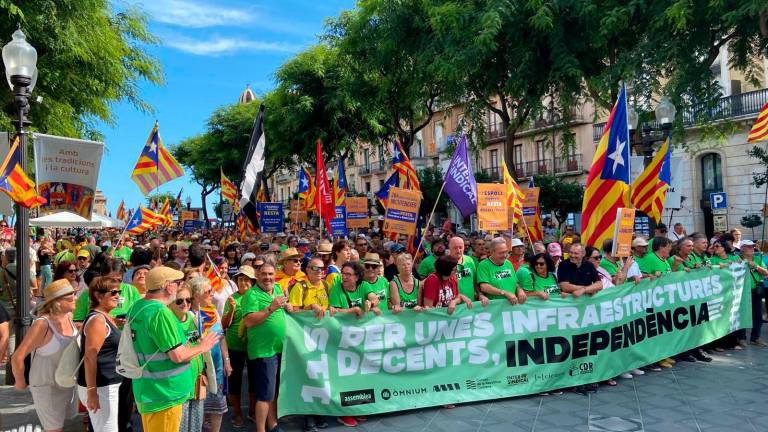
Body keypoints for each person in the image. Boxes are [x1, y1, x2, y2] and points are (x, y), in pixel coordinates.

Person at [128, 266, 220, 432]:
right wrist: (203, 346)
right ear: (168, 286)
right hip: (166, 394)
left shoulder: (138, 306)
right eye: (177, 283)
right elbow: (178, 356)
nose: (179, 287)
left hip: (149, 391)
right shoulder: (160, 313)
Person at [11, 279, 79, 432]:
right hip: (46, 387)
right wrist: (20, 381)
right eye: (70, 297)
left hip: (66, 383)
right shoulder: (42, 324)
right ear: (57, 302)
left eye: (74, 294)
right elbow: (17, 357)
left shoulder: (69, 316)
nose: (75, 298)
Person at [242, 263, 291, 432]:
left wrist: (287, 305)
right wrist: (271, 308)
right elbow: (248, 321)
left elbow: (283, 307)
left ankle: (273, 425)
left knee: (273, 393)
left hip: (278, 350)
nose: (268, 277)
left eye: (271, 273)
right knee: (264, 396)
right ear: (257, 275)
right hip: (263, 352)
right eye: (264, 274)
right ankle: (261, 429)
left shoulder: (277, 288)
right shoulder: (251, 295)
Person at [77, 277, 123, 432]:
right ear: (98, 296)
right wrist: (92, 392)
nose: (118, 295)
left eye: (119, 291)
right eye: (113, 292)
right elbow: (90, 357)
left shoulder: (105, 317)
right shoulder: (98, 320)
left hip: (106, 385)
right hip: (101, 387)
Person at [188, 276, 231, 432]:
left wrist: (227, 361)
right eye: (208, 291)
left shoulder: (213, 312)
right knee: (197, 409)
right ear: (196, 295)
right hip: (197, 370)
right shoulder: (187, 315)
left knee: (217, 406)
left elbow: (221, 337)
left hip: (217, 367)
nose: (212, 293)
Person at [223, 266, 258, 428]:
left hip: (254, 345)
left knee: (254, 381)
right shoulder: (231, 298)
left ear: (252, 282)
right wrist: (231, 309)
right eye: (240, 279)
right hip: (234, 346)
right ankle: (237, 413)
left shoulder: (257, 297)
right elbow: (224, 325)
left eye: (246, 279)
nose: (243, 282)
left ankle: (252, 411)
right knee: (235, 382)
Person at [169, 283, 204, 432]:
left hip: (196, 381)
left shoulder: (193, 318)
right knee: (180, 428)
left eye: (188, 300)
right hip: (179, 385)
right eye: (179, 301)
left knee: (195, 427)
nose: (185, 304)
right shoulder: (169, 323)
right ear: (170, 303)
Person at [477, 238, 527, 305]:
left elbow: (515, 282)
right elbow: (484, 287)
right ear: (492, 252)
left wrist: (519, 290)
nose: (505, 255)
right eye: (501, 253)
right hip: (496, 307)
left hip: (512, 305)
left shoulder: (508, 263)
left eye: (506, 252)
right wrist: (505, 293)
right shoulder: (483, 265)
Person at [740, 240, 768, 347]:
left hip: (755, 290)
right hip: (742, 292)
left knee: (757, 315)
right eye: (748, 247)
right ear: (742, 249)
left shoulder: (758, 258)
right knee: (743, 315)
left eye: (752, 246)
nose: (752, 248)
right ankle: (741, 338)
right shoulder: (737, 259)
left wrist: (756, 266)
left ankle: (755, 337)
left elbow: (766, 273)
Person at [447, 236, 487, 304]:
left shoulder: (469, 260)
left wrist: (480, 294)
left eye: (460, 247)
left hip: (470, 304)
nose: (458, 250)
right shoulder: (444, 262)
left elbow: (475, 281)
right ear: (449, 248)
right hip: (453, 305)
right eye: (455, 248)